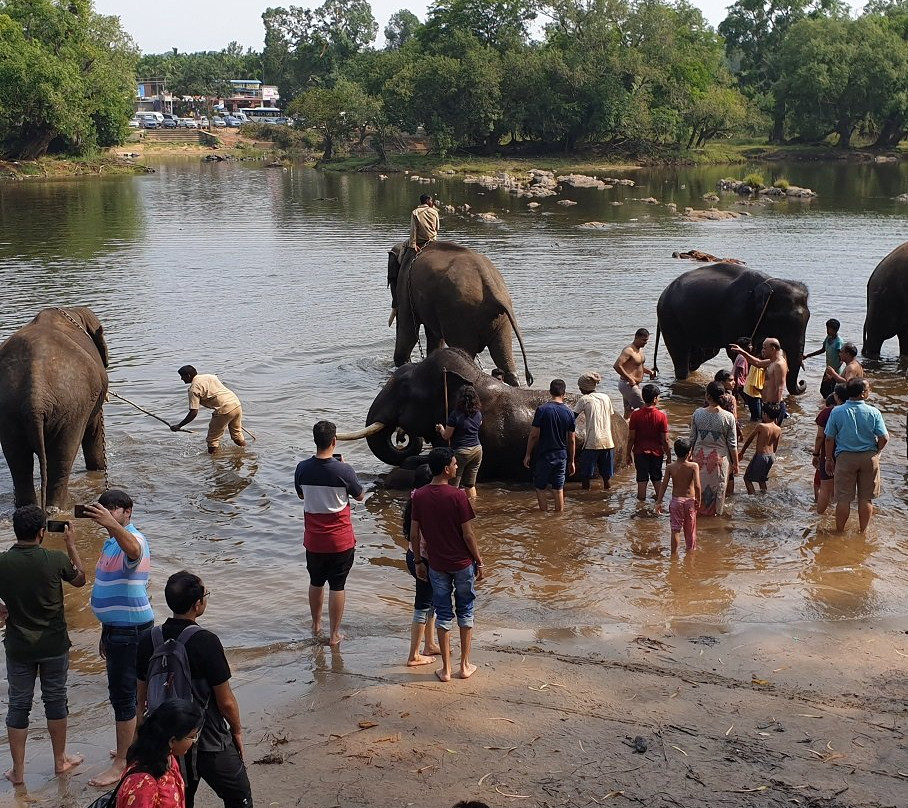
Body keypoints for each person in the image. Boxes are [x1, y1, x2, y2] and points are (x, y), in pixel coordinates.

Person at [136, 572, 252, 808]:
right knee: (239, 795)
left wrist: (143, 737)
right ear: (197, 604)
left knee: (178, 800)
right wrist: (237, 731)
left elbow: (141, 699)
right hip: (207, 737)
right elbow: (225, 701)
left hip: (166, 740)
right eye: (205, 595)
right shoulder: (206, 641)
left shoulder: (148, 639)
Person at [0, 506, 86, 785]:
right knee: (55, 700)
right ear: (41, 532)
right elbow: (80, 579)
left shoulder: (2, 562)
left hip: (18, 646)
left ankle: (18, 771)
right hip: (53, 644)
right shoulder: (54, 558)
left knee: (18, 705)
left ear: (15, 531)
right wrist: (71, 545)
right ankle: (60, 760)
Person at [87, 489, 154, 788]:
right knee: (130, 694)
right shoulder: (111, 540)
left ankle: (122, 763)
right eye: (103, 508)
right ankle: (132, 746)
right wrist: (105, 629)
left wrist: (112, 525)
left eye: (112, 508)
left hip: (130, 631)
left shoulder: (132, 538)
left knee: (123, 696)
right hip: (119, 629)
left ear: (128, 512)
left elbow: (135, 552)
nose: (106, 512)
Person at [410, 447, 484, 683]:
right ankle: (464, 665)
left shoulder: (419, 496)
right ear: (445, 469)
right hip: (462, 563)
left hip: (437, 564)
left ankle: (446, 670)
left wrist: (419, 561)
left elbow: (414, 534)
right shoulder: (458, 496)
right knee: (466, 611)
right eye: (454, 464)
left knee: (443, 614)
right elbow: (468, 534)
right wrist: (479, 561)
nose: (455, 467)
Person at [294, 421, 365, 645]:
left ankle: (316, 625)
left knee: (315, 581)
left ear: (315, 440)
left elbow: (301, 496)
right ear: (334, 441)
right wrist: (345, 468)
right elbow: (360, 496)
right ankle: (334, 634)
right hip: (340, 540)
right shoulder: (343, 470)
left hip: (314, 539)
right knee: (337, 585)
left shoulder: (302, 468)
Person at [824, 378, 888, 532]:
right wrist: (877, 451)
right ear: (863, 394)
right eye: (868, 390)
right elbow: (884, 437)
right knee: (866, 498)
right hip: (868, 457)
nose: (869, 392)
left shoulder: (837, 411)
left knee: (843, 499)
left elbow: (829, 438)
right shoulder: (874, 412)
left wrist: (828, 458)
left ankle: (839, 532)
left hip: (845, 457)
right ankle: (862, 532)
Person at [116, 699, 205, 808]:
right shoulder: (144, 785)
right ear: (172, 741)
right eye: (192, 737)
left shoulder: (168, 758)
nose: (194, 741)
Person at [403, 465, 440, 667]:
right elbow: (419, 535)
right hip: (422, 559)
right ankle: (414, 655)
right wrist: (419, 562)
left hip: (417, 556)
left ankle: (430, 644)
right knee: (423, 604)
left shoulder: (415, 499)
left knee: (431, 601)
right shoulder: (425, 503)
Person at [524, 379, 576, 512]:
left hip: (545, 454)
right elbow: (571, 440)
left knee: (540, 487)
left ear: (550, 392)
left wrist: (528, 454)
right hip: (561, 455)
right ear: (564, 393)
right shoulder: (569, 412)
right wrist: (572, 460)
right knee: (558, 489)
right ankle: (559, 517)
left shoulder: (542, 410)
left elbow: (534, 435)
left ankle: (543, 515)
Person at [689, 381, 738, 516]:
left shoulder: (697, 413)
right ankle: (713, 523)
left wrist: (689, 455)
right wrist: (736, 464)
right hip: (718, 460)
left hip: (699, 458)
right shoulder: (728, 417)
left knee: (698, 489)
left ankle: (697, 519)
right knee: (717, 492)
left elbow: (692, 438)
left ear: (707, 396)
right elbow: (732, 444)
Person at [172, 366, 246, 454]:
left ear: (188, 376)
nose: (181, 379)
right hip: (236, 404)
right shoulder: (210, 376)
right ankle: (246, 452)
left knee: (212, 441)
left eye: (182, 376)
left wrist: (179, 426)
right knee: (237, 435)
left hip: (224, 409)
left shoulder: (193, 389)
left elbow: (193, 412)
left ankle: (214, 462)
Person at [436, 384, 483, 500]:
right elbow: (479, 424)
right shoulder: (478, 413)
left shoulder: (455, 415)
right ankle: (473, 507)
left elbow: (447, 436)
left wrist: (441, 429)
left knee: (453, 485)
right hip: (477, 450)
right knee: (470, 484)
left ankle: (452, 508)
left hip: (461, 452)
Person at [655, 438, 701, 553]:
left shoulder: (670, 467)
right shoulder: (693, 466)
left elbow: (664, 485)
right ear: (688, 453)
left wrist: (659, 502)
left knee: (675, 530)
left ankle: (674, 557)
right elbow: (697, 485)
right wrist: (699, 500)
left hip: (676, 501)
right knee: (690, 530)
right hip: (690, 501)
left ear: (675, 452)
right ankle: (690, 555)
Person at [626, 383, 670, 500]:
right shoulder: (661, 416)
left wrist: (627, 454)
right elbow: (665, 439)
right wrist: (669, 455)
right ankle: (660, 504)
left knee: (641, 480)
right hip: (657, 453)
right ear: (655, 398)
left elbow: (631, 438)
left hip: (640, 452)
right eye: (659, 397)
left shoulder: (635, 415)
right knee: (657, 479)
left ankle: (640, 508)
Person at [571, 372, 616, 491]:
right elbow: (610, 415)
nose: (579, 389)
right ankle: (608, 494)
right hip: (608, 441)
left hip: (592, 442)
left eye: (580, 386)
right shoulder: (606, 397)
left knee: (585, 475)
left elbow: (572, 418)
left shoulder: (584, 399)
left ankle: (586, 495)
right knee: (606, 476)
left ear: (583, 387)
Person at [729, 337, 788, 423]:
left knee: (770, 433)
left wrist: (775, 408)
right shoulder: (772, 361)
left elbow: (780, 387)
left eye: (764, 348)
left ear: (773, 349)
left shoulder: (779, 364)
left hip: (774, 406)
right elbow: (757, 363)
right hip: (767, 404)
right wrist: (741, 351)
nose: (763, 350)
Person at [739, 402, 782, 494]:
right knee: (761, 480)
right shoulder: (778, 429)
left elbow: (749, 440)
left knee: (747, 478)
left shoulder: (761, 426)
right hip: (771, 456)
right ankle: (763, 496)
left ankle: (752, 498)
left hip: (761, 456)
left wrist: (742, 452)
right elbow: (775, 447)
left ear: (765, 414)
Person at [613, 329, 657, 417]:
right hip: (628, 384)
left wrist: (650, 372)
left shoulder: (640, 350)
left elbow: (638, 367)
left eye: (647, 340)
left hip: (633, 385)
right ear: (636, 337)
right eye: (644, 340)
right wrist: (630, 378)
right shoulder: (629, 350)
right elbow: (617, 366)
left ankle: (626, 429)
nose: (646, 342)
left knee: (628, 412)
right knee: (646, 408)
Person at [813, 390, 841, 514]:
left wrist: (816, 454)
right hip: (845, 454)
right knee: (838, 483)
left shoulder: (826, 413)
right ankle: (833, 506)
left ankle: (819, 510)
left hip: (828, 454)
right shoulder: (851, 412)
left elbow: (820, 437)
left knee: (822, 484)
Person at [803, 318, 843, 397]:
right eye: (827, 328)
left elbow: (842, 359)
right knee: (823, 391)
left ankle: (830, 408)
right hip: (828, 370)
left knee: (832, 393)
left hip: (835, 372)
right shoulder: (828, 338)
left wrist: (833, 373)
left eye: (829, 329)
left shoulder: (839, 342)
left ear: (835, 330)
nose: (827, 331)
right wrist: (808, 355)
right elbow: (822, 350)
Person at [732, 337, 762, 422]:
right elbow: (738, 372)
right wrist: (738, 385)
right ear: (744, 347)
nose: (752, 347)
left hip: (739, 384)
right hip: (741, 384)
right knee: (750, 403)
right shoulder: (742, 357)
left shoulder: (740, 356)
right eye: (750, 345)